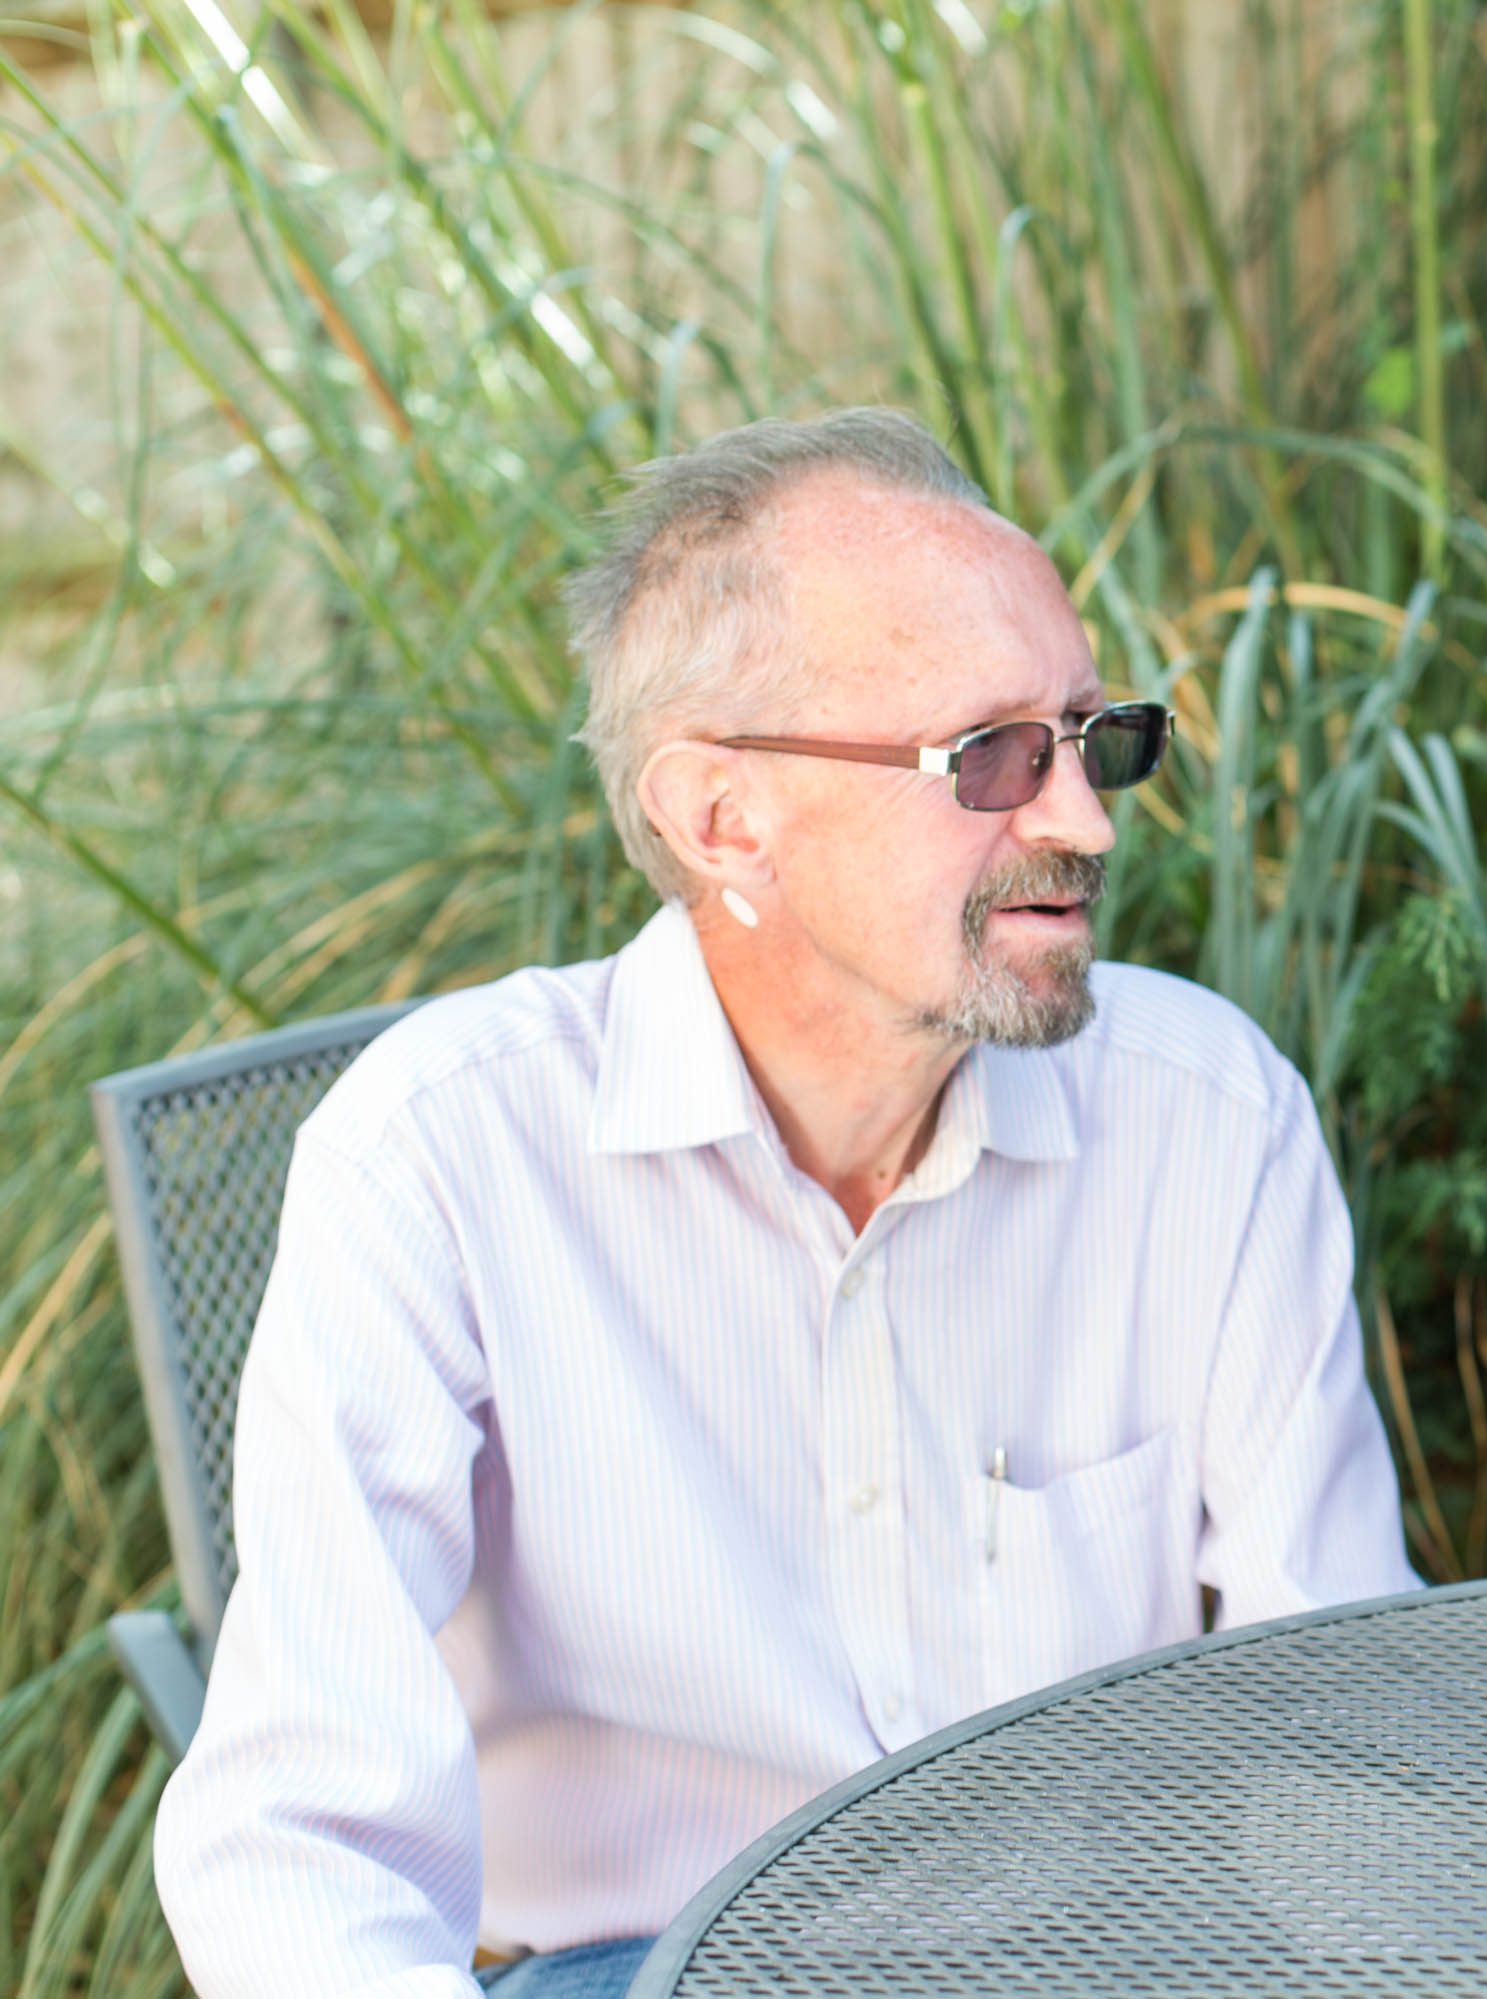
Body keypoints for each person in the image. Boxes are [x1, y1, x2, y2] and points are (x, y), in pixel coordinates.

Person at [152, 409, 1422, 1996]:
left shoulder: (1209, 1120)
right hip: (639, 1964)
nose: (1086, 823)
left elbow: (1341, 1707)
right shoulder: (439, 1157)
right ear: (720, 818)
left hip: (1118, 1956)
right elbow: (300, 1831)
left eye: (1093, 739)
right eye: (994, 759)